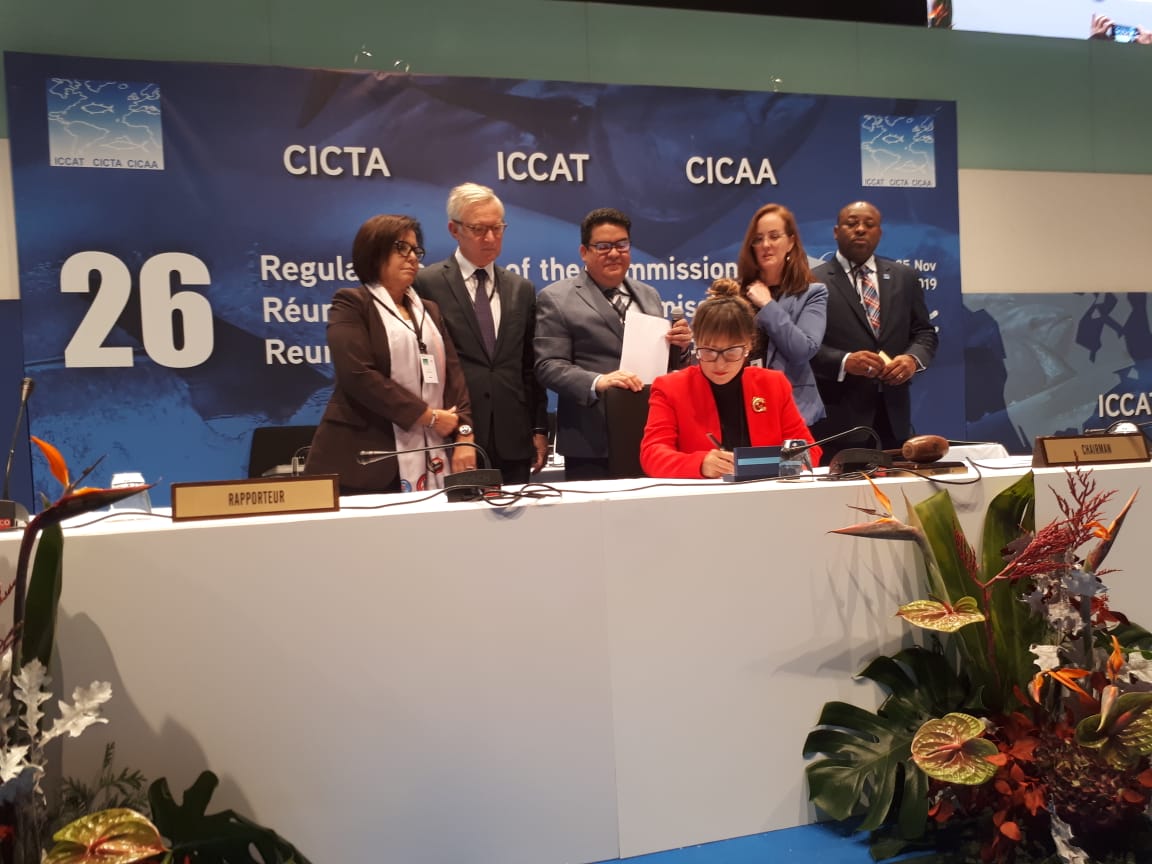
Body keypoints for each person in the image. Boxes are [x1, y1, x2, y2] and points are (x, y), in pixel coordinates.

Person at [305, 214, 473, 494]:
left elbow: (454, 377)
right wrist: (427, 416)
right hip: (364, 461)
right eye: (401, 248)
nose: (412, 257)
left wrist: (464, 433)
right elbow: (357, 374)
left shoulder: (429, 311)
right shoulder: (351, 304)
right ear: (374, 252)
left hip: (432, 453)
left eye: (416, 250)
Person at [535, 207, 692, 480]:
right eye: (603, 246)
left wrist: (681, 347)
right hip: (591, 441)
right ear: (584, 252)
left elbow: (664, 365)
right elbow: (548, 365)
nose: (614, 253)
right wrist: (598, 381)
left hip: (649, 434)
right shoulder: (556, 298)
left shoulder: (649, 295)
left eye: (621, 245)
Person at [414, 183, 547, 484]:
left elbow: (529, 367)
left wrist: (539, 429)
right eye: (478, 229)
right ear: (454, 229)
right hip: (453, 439)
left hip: (514, 439)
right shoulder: (427, 284)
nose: (490, 238)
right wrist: (457, 427)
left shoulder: (521, 288)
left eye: (497, 228)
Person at [640, 288, 820, 479]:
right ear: (696, 343)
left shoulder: (773, 384)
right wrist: (699, 464)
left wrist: (758, 465)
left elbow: (809, 452)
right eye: (709, 352)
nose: (720, 364)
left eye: (731, 352)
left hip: (766, 490)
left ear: (748, 346)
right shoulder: (670, 387)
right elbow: (652, 455)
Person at [809, 201, 938, 457]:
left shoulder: (906, 277)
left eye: (869, 224)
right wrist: (844, 361)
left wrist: (912, 360)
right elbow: (803, 347)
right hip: (837, 420)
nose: (860, 229)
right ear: (836, 232)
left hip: (894, 416)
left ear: (879, 233)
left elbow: (924, 333)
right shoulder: (812, 281)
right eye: (851, 223)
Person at [733, 203, 828, 425]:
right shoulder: (736, 292)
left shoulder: (812, 292)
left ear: (791, 242)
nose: (766, 245)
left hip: (793, 409)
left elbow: (802, 350)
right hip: (742, 406)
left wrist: (767, 304)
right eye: (758, 239)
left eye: (774, 236)